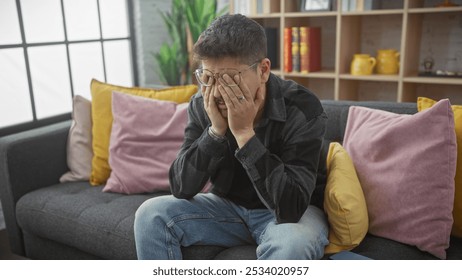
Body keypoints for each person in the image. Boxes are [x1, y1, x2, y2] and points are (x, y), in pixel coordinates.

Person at [134, 14, 329, 260]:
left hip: (289, 215)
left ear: (263, 70)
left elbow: (291, 208)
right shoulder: (203, 102)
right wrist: (215, 132)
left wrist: (245, 134)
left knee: (293, 244)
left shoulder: (303, 107)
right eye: (207, 78)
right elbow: (181, 187)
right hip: (226, 209)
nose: (216, 92)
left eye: (229, 80)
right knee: (150, 214)